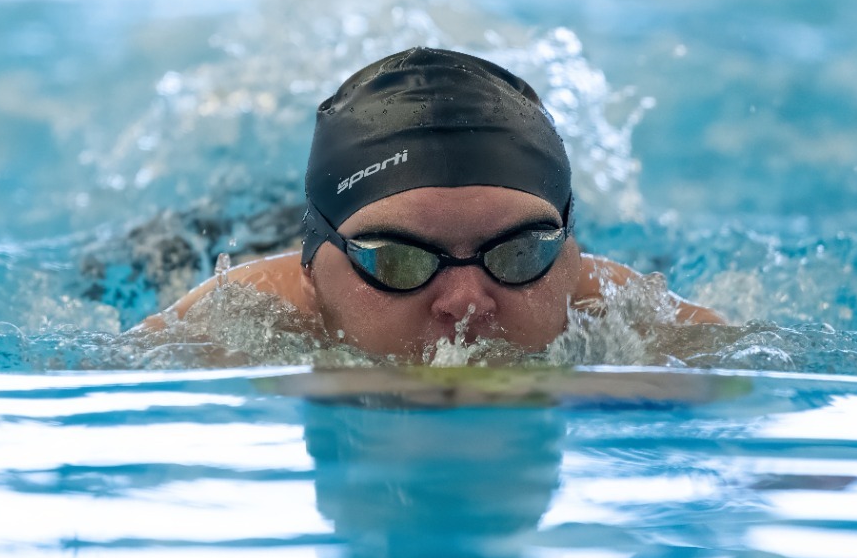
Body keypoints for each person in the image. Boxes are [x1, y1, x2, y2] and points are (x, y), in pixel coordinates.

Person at [140, 47, 724, 359]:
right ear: (312, 270)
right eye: (397, 260)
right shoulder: (232, 322)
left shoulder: (617, 312)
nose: (467, 302)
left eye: (519, 252)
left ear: (571, 257)